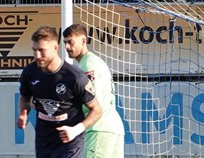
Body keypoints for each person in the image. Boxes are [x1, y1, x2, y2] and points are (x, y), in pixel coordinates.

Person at [17, 26, 102, 158]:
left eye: (42, 50)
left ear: (55, 48)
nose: (37, 56)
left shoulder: (75, 77)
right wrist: (23, 113)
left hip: (70, 142)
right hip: (44, 140)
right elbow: (24, 98)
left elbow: (97, 110)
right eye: (34, 50)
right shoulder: (30, 72)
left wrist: (76, 130)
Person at [62, 24, 124, 158]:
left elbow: (93, 101)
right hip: (114, 128)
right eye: (65, 42)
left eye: (70, 42)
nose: (67, 47)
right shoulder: (95, 62)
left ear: (83, 41)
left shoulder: (88, 65)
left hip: (98, 129)